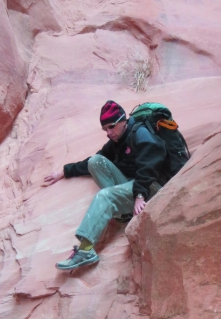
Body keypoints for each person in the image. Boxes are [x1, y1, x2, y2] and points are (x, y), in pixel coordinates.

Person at [43, 100, 166, 270]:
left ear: (124, 121)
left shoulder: (141, 133)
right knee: (96, 161)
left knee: (105, 195)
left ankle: (86, 250)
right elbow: (91, 162)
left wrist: (140, 195)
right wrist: (65, 171)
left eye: (111, 126)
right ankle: (122, 214)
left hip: (153, 189)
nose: (108, 133)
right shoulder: (116, 142)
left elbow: (151, 165)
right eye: (105, 129)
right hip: (134, 186)